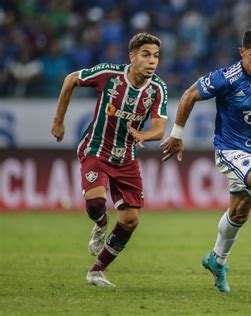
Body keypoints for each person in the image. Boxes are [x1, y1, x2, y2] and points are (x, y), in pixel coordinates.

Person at [161, 28, 251, 293]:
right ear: (242, 53)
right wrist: (177, 134)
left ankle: (217, 260)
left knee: (239, 212)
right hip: (230, 149)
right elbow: (189, 95)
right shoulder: (226, 78)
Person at [51, 33, 168, 286]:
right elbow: (71, 79)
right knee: (96, 203)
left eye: (156, 56)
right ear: (132, 56)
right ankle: (101, 223)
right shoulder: (109, 74)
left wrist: (144, 134)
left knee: (130, 220)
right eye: (146, 55)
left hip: (127, 158)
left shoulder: (158, 88)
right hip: (96, 149)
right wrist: (58, 121)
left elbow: (159, 129)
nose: (152, 61)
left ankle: (97, 271)